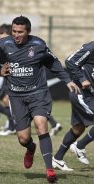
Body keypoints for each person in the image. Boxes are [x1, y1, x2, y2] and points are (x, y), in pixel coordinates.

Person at [0, 15, 80, 183]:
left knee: (41, 125)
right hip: (16, 97)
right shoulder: (4, 44)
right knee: (23, 138)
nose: (16, 35)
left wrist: (67, 80)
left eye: (20, 32)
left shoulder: (38, 45)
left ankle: (49, 169)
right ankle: (30, 148)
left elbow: (53, 63)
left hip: (38, 93)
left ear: (28, 32)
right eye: (14, 31)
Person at [52, 41, 94, 171]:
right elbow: (70, 61)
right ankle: (79, 146)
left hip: (90, 96)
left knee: (78, 128)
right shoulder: (91, 48)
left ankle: (57, 159)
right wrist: (82, 79)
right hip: (81, 94)